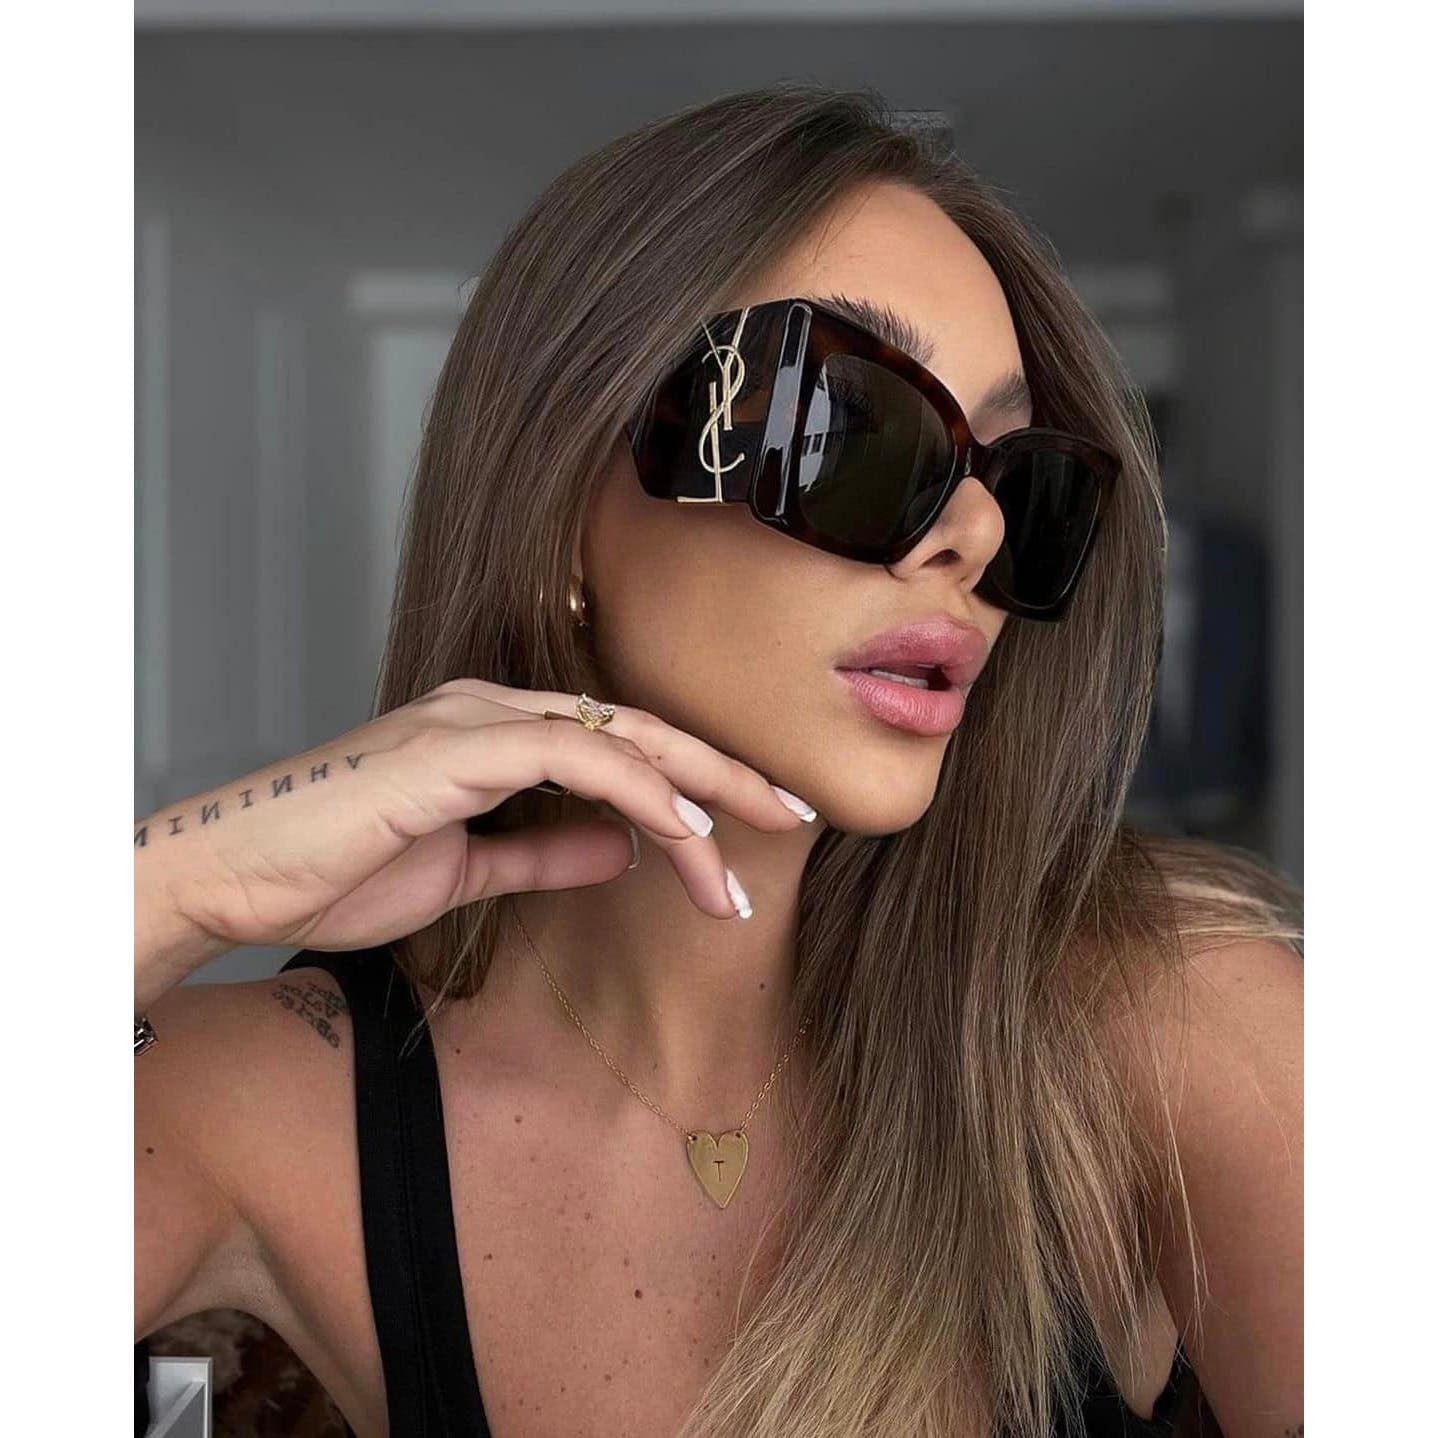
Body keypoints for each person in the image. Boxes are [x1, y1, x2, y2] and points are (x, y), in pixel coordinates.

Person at [134, 82, 1303, 1438]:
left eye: (1020, 482)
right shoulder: (259, 1103)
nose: (975, 536)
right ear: (560, 509)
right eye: (850, 429)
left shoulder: (1175, 1023)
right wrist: (174, 889)